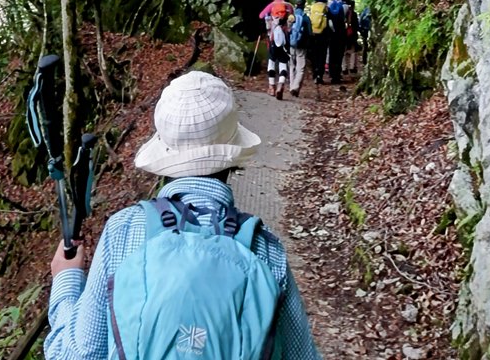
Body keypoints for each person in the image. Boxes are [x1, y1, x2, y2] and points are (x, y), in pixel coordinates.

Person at [44, 71, 322, 359]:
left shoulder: (123, 231)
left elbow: (77, 354)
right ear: (232, 154)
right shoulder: (264, 249)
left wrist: (67, 279)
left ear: (164, 153)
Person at [258, 0, 294, 97]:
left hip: (273, 38)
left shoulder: (271, 5)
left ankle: (271, 87)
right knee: (283, 63)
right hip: (285, 39)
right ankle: (281, 84)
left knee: (272, 62)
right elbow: (293, 18)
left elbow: (261, 16)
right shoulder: (289, 6)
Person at [289, 0, 311, 97]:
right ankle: (296, 87)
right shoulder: (305, 18)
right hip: (302, 45)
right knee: (300, 67)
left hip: (292, 44)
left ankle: (291, 86)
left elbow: (288, 30)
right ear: (304, 4)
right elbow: (310, 33)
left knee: (292, 65)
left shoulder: (291, 16)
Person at [308, 0, 330, 85]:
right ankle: (319, 76)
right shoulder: (326, 8)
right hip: (323, 35)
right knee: (322, 55)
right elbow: (329, 23)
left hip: (313, 35)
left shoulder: (312, 7)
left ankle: (314, 74)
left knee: (314, 55)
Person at [326, 0, 346, 84]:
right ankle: (337, 75)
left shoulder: (330, 6)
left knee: (332, 54)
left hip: (332, 35)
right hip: (341, 35)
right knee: (339, 55)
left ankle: (331, 73)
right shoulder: (344, 7)